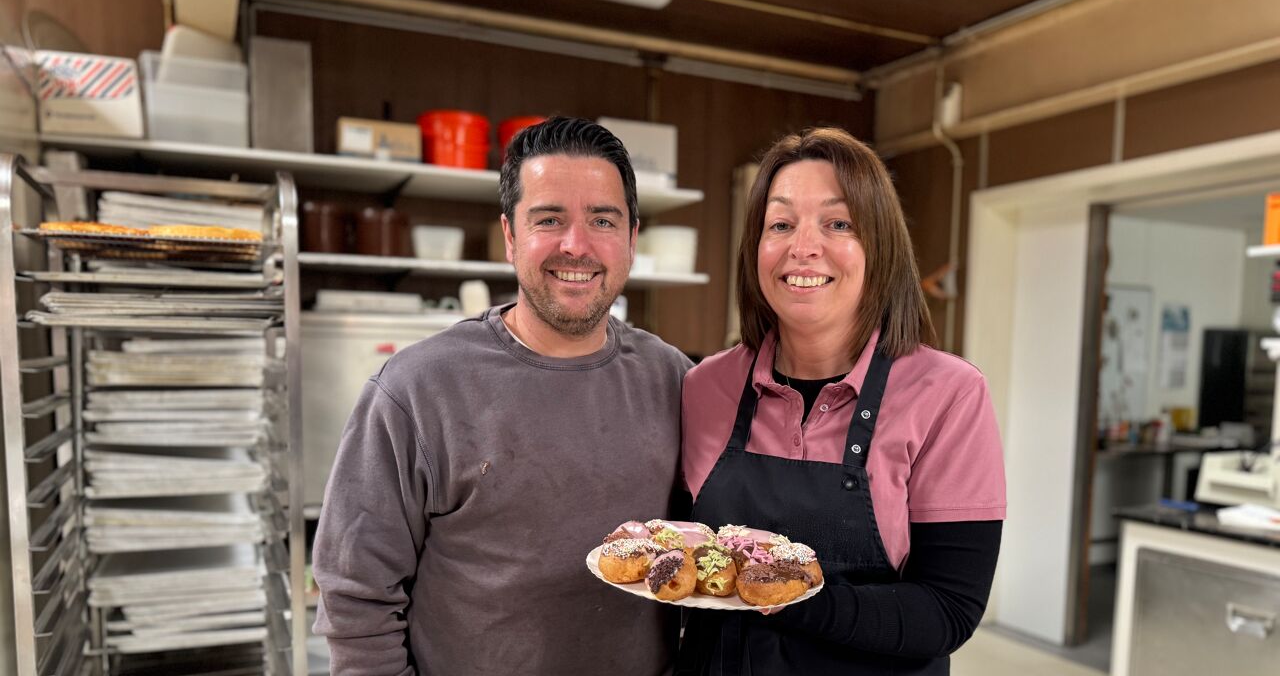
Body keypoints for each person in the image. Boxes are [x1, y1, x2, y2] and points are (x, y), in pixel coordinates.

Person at [313, 116, 691, 675]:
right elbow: (356, 599)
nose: (577, 245)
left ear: (631, 238)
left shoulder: (676, 380)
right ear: (510, 236)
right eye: (549, 219)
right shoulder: (417, 389)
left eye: (602, 220)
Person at [677, 127, 1006, 675]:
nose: (803, 247)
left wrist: (783, 596)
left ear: (879, 246)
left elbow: (948, 610)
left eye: (838, 223)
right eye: (780, 224)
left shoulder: (949, 395)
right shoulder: (704, 386)